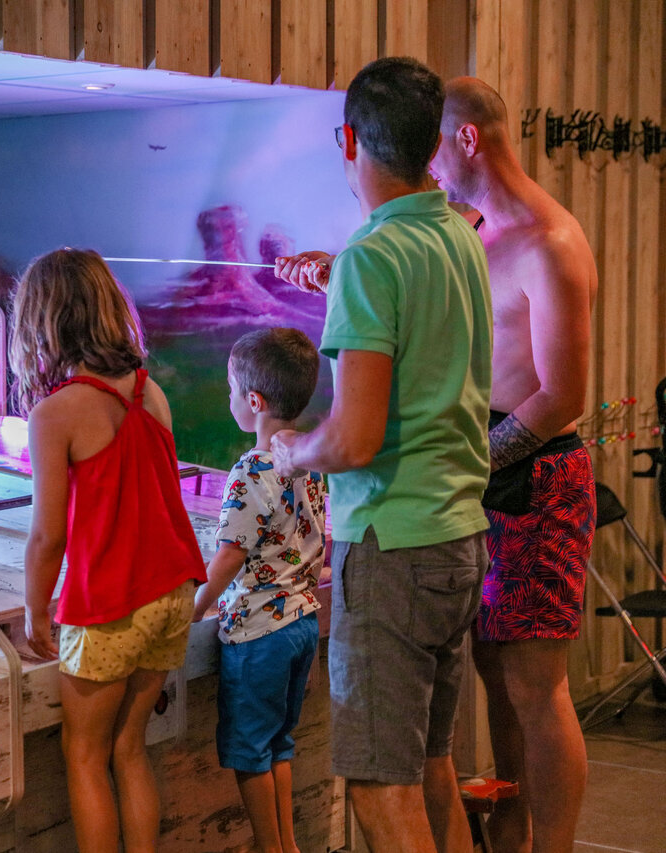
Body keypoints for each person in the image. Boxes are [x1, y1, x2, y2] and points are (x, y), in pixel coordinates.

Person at [270, 56, 493, 853]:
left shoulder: (372, 257)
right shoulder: (457, 233)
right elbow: (418, 327)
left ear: (349, 141)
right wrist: (339, 283)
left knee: (378, 789)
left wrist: (292, 451)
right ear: (431, 141)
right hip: (459, 539)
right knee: (434, 773)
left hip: (391, 547)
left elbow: (357, 437)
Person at [428, 77, 598, 853]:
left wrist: (477, 459)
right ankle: (512, 827)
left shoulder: (548, 239)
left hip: (537, 476)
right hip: (485, 467)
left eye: (433, 147)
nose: (427, 168)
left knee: (537, 684)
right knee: (495, 668)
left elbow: (564, 394)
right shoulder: (476, 227)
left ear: (467, 138)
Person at [10, 247, 207, 853]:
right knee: (130, 748)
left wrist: (35, 610)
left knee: (85, 755)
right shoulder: (151, 394)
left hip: (112, 605)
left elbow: (49, 534)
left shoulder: (55, 413)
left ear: (41, 323)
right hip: (173, 591)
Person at [192, 328, 325, 853]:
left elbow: (229, 555)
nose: (229, 400)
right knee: (279, 743)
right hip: (302, 623)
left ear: (254, 401)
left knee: (249, 753)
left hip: (258, 632)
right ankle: (287, 845)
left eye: (230, 390)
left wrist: (195, 607)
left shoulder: (251, 469)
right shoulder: (308, 458)